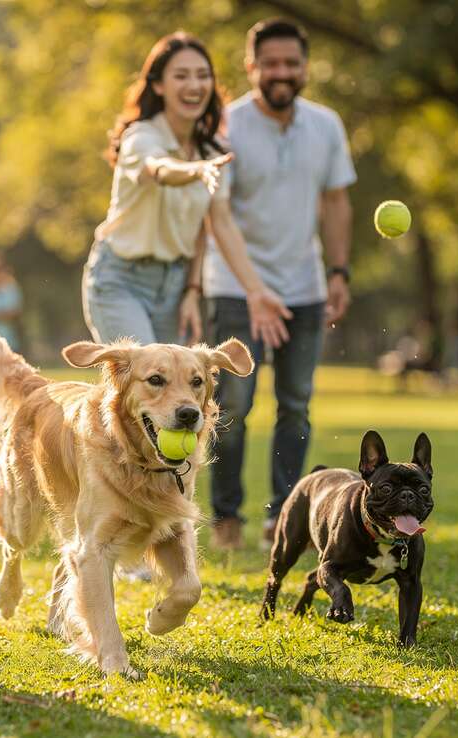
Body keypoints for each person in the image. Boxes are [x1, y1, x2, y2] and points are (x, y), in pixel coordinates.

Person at [204, 18, 357, 551]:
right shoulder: (225, 126)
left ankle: (283, 516)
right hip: (235, 289)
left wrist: (338, 272)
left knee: (295, 404)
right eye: (270, 64)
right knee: (234, 407)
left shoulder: (326, 125)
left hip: (304, 289)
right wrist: (252, 291)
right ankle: (226, 518)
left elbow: (336, 202)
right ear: (251, 67)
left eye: (291, 63)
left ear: (305, 68)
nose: (282, 73)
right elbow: (214, 214)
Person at [82, 32, 290, 353]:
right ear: (158, 85)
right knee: (145, 379)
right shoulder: (141, 137)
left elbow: (217, 225)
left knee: (172, 390)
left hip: (175, 287)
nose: (194, 85)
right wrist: (196, 171)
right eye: (181, 76)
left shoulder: (214, 149)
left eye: (202, 75)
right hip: (120, 280)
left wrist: (247, 290)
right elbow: (160, 169)